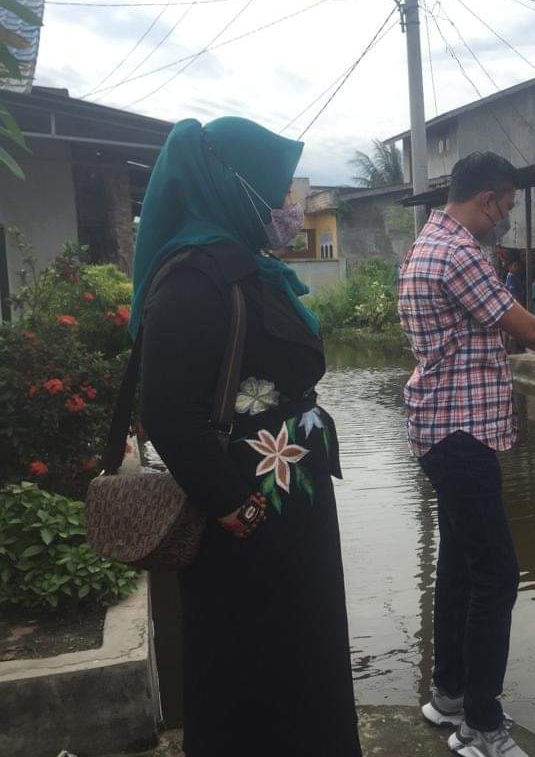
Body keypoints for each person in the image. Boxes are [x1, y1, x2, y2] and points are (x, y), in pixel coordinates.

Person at [135, 117, 361, 756]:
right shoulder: (193, 276)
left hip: (288, 501)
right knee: (249, 659)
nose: (291, 207)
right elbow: (167, 412)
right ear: (236, 187)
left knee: (304, 646)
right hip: (247, 514)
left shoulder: (249, 264)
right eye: (280, 191)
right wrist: (234, 506)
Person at [398, 151, 535, 757]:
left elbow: (472, 335)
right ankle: (481, 728)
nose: (505, 221)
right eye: (507, 208)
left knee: (460, 565)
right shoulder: (460, 252)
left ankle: (450, 695)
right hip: (460, 435)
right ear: (487, 199)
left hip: (442, 429)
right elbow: (527, 326)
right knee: (497, 577)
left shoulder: (423, 246)